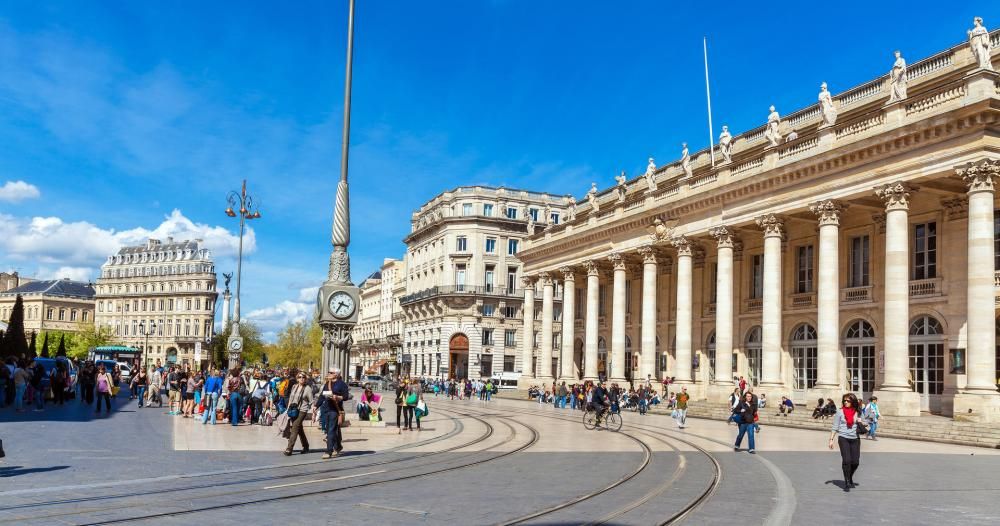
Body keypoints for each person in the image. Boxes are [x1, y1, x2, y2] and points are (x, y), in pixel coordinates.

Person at [828, 393, 868, 490]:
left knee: (855, 462)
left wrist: (860, 421)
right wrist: (831, 440)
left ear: (853, 402)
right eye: (844, 401)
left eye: (848, 401)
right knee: (847, 461)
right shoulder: (840, 412)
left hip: (855, 439)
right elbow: (835, 426)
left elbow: (865, 423)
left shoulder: (858, 412)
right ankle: (846, 481)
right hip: (843, 438)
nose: (846, 402)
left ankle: (850, 476)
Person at [320, 368, 350, 459]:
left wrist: (337, 397)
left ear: (336, 374)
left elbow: (346, 397)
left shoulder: (342, 384)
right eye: (328, 372)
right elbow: (322, 396)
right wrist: (315, 406)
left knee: (331, 430)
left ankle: (329, 451)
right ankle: (338, 446)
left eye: (331, 372)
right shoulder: (327, 383)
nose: (329, 373)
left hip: (335, 410)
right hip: (327, 409)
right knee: (332, 429)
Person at [283, 372, 315, 456]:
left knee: (295, 428)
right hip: (293, 410)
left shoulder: (308, 388)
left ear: (306, 379)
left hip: (302, 410)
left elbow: (312, 401)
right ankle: (306, 446)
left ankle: (289, 448)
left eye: (303, 377)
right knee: (299, 429)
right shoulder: (294, 386)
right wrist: (287, 409)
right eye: (300, 377)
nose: (302, 378)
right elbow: (291, 398)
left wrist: (314, 413)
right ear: (297, 378)